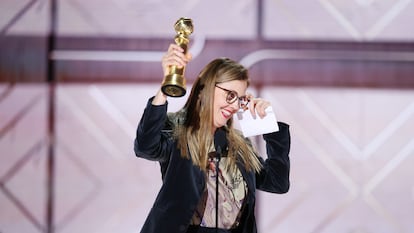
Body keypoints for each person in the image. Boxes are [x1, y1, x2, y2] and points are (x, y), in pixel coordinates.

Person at [134, 44, 291, 233]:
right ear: (205, 89)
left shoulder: (239, 144)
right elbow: (145, 147)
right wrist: (166, 88)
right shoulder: (178, 132)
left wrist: (269, 127)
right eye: (230, 95)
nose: (234, 106)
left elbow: (277, 183)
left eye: (240, 99)